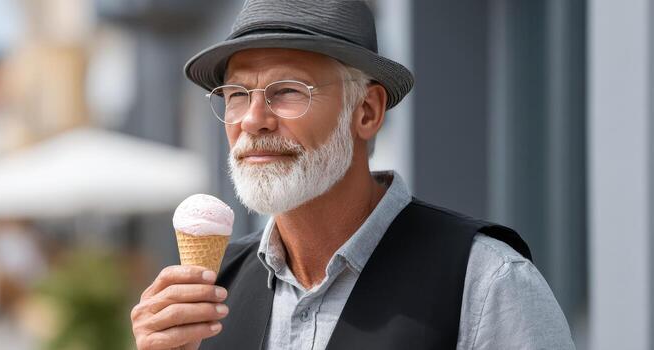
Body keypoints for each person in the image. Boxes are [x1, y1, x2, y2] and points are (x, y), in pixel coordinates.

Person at [130, 1, 575, 349]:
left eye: (287, 91)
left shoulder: (485, 281)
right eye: (236, 94)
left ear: (367, 111)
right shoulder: (213, 289)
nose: (253, 119)